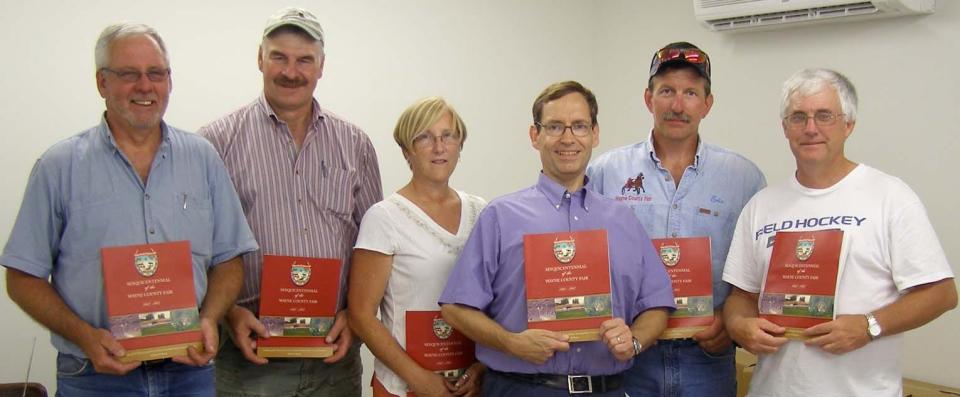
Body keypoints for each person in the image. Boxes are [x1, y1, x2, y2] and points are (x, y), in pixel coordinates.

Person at [0, 23, 257, 395]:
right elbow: (22, 277)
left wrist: (210, 318)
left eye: (156, 73)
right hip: (93, 376)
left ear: (169, 81)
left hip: (188, 372)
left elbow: (230, 259)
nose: (144, 86)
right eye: (128, 74)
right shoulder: (59, 166)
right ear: (102, 83)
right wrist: (85, 336)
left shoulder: (203, 159)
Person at [722, 68, 957, 396]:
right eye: (798, 117)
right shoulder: (762, 205)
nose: (811, 128)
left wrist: (869, 326)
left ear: (849, 124)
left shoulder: (890, 196)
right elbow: (740, 297)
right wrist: (740, 326)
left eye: (824, 115)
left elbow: (941, 294)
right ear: (785, 128)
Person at [438, 81, 675, 397]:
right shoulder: (500, 216)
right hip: (522, 389)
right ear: (535, 136)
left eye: (579, 126)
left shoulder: (623, 220)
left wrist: (632, 341)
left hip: (607, 390)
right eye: (554, 127)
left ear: (595, 134)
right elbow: (455, 308)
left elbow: (657, 303)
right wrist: (512, 342)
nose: (568, 138)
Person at [198, 6, 382, 397]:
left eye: (304, 60)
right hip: (248, 358)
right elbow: (198, 248)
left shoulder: (356, 145)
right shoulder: (215, 143)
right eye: (279, 56)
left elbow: (374, 247)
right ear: (260, 58)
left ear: (321, 66)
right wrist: (227, 313)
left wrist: (355, 316)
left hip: (334, 354)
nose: (290, 71)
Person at [586, 42, 765, 397]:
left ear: (707, 104)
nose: (678, 105)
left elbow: (761, 270)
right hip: (629, 356)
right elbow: (586, 257)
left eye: (690, 93)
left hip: (707, 357)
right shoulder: (606, 171)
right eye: (667, 91)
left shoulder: (744, 178)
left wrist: (732, 321)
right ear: (648, 98)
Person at [348, 97, 486, 397]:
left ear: (459, 145)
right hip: (405, 386)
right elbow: (360, 314)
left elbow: (496, 302)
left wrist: (481, 369)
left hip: (469, 385)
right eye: (424, 137)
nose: (439, 147)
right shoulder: (384, 218)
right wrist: (418, 377)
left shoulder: (482, 212)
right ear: (406, 150)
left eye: (448, 135)